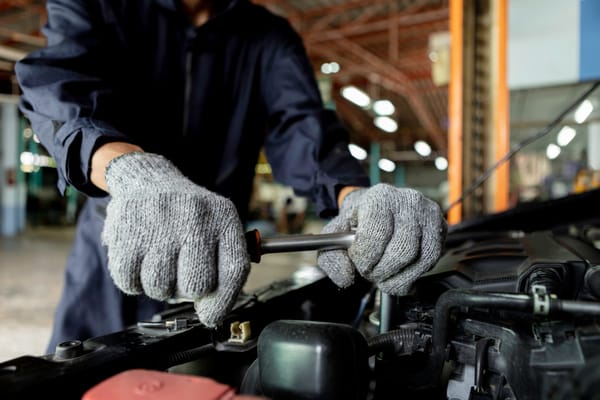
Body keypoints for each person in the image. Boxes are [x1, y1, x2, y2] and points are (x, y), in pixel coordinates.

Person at [15, 0, 447, 354]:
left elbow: (302, 129)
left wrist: (356, 197)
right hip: (111, 246)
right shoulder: (102, 7)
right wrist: (131, 171)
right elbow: (59, 90)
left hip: (216, 258)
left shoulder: (269, 39)